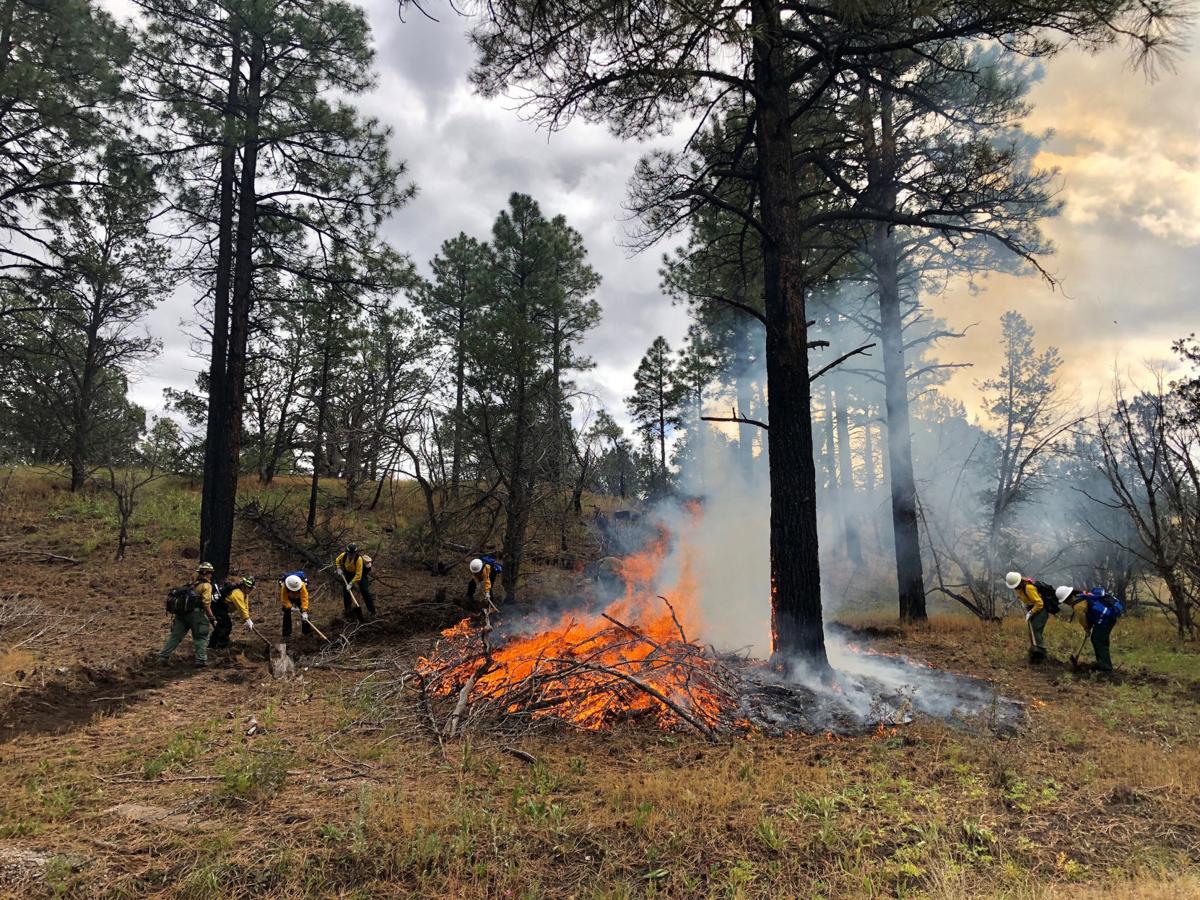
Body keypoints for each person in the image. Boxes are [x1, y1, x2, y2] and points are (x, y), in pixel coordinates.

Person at [159, 562, 216, 668]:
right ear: (207, 573)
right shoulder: (206, 586)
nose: (211, 575)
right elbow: (206, 603)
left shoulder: (192, 585)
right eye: (210, 573)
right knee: (201, 637)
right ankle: (201, 660)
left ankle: (163, 657)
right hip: (197, 615)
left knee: (175, 636)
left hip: (181, 615)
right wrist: (212, 618)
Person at [1057, 585, 1124, 672]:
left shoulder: (1078, 606)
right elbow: (1091, 611)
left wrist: (1087, 629)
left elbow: (1083, 620)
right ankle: (1102, 663)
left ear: (1067, 599)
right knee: (1098, 640)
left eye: (1065, 601)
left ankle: (1105, 667)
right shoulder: (1082, 596)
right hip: (1107, 618)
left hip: (1105, 620)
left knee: (1098, 640)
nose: (1065, 603)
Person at [1005, 570, 1053, 662]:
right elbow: (1028, 600)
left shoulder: (1029, 588)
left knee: (1036, 630)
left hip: (1041, 611)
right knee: (1032, 632)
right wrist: (1027, 607)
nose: (1014, 588)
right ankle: (1035, 653)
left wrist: (1031, 612)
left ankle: (1042, 654)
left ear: (1019, 582)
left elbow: (1039, 603)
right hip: (1034, 610)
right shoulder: (1020, 589)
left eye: (1015, 585)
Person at [335, 543, 374, 620]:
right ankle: (348, 611)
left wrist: (351, 583)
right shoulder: (343, 555)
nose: (351, 555)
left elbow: (358, 575)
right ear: (347, 552)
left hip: (360, 575)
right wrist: (338, 568)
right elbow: (337, 560)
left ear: (355, 553)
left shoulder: (358, 559)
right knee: (346, 592)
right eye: (349, 553)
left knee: (364, 591)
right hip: (349, 574)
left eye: (353, 554)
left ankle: (372, 611)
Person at [222, 576, 258, 640]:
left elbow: (245, 607)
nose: (251, 590)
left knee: (225, 624)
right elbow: (241, 609)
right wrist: (247, 619)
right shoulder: (237, 593)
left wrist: (247, 619)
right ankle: (219, 644)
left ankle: (219, 642)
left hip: (224, 610)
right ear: (243, 586)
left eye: (251, 588)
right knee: (226, 625)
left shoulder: (245, 595)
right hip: (218, 608)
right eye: (249, 588)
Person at [279, 571, 311, 640]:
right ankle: (286, 635)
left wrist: (304, 611)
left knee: (305, 615)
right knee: (286, 613)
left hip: (299, 597)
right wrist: (290, 607)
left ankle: (307, 633)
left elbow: (304, 598)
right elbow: (284, 599)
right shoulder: (284, 586)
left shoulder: (302, 585)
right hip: (289, 597)